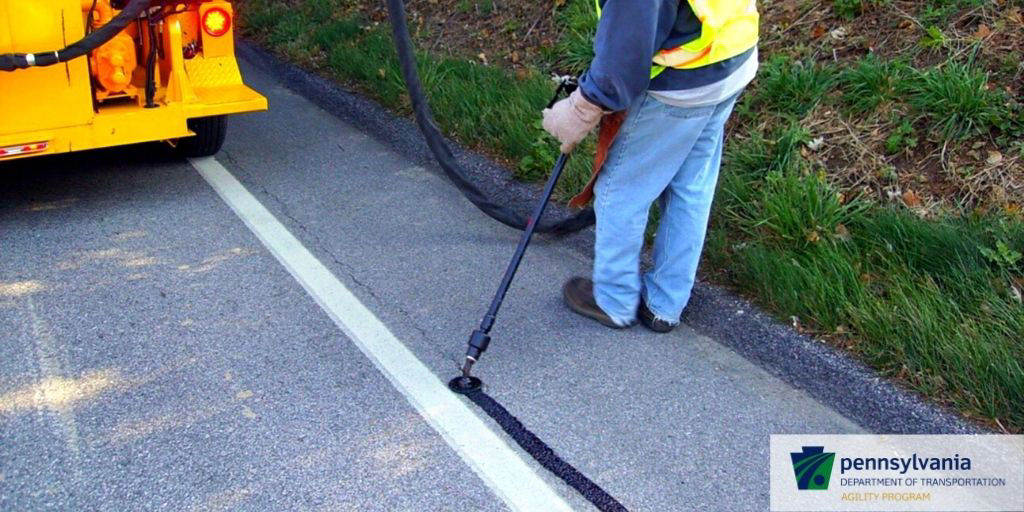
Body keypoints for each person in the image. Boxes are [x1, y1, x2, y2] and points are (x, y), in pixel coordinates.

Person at [543, 0, 759, 333]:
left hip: (680, 84)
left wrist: (583, 107)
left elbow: (626, 52)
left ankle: (613, 301)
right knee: (690, 186)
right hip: (730, 55)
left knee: (621, 190)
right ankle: (665, 303)